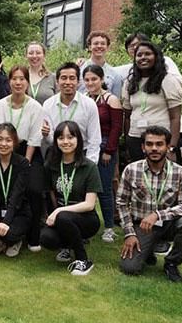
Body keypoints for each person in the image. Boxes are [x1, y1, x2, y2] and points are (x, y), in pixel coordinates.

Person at [117, 126, 182, 282]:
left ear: (168, 147)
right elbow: (121, 203)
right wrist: (129, 233)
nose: (154, 148)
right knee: (130, 268)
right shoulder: (131, 170)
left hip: (169, 223)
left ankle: (172, 263)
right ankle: (149, 250)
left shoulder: (180, 172)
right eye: (149, 144)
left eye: (159, 144)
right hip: (142, 226)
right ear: (143, 147)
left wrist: (158, 215)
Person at [0, 66, 46, 251]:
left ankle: (33, 236)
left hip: (28, 152)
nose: (18, 82)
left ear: (27, 83)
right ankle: (2, 232)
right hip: (5, 150)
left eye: (22, 79)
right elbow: (0, 136)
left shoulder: (35, 107)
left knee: (33, 189)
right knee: (2, 187)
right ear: (9, 82)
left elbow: (34, 139)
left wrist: (25, 164)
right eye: (14, 79)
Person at [40, 121, 102, 276]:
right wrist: (54, 213)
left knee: (63, 217)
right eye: (61, 138)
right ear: (55, 141)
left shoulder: (89, 167)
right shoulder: (51, 165)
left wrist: (59, 210)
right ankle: (66, 247)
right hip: (61, 217)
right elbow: (51, 193)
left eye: (70, 137)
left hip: (86, 218)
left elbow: (89, 204)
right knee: (46, 238)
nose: (65, 142)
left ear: (78, 140)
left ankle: (83, 260)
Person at [122, 41, 182, 165]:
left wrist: (171, 147)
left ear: (156, 57)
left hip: (160, 141)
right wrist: (127, 142)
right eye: (139, 55)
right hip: (136, 139)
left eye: (148, 54)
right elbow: (127, 115)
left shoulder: (167, 80)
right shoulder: (130, 82)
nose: (143, 57)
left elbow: (175, 117)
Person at [83, 65, 123, 243]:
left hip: (105, 147)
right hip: (86, 147)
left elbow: (116, 128)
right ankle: (85, 226)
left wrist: (109, 151)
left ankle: (108, 227)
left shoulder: (111, 100)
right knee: (84, 189)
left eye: (94, 79)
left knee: (105, 189)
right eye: (87, 79)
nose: (90, 83)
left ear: (101, 80)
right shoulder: (83, 99)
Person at [0, 123, 31, 258]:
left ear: (14, 142)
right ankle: (0, 242)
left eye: (8, 140)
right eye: (0, 139)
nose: (3, 144)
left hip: (18, 211)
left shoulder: (23, 164)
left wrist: (6, 222)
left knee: (9, 232)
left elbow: (17, 196)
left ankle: (14, 241)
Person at [41, 62, 101, 164]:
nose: (68, 82)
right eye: (64, 78)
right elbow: (50, 139)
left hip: (82, 155)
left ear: (78, 82)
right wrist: (46, 135)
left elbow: (94, 140)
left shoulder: (89, 104)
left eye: (72, 78)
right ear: (57, 81)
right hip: (57, 155)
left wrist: (90, 164)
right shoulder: (48, 104)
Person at [77, 31, 123, 98]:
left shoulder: (115, 75)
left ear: (107, 47)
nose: (99, 46)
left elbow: (116, 99)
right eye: (96, 43)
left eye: (103, 44)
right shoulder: (79, 69)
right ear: (89, 47)